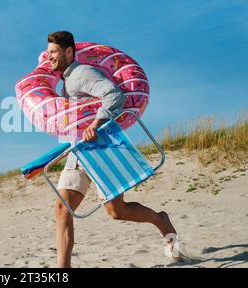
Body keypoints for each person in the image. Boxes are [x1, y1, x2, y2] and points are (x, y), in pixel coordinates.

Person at [47, 31, 180, 268]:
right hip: (79, 151)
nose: (50, 57)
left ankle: (161, 220)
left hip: (102, 148)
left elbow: (113, 96)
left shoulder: (82, 73)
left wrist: (96, 124)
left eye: (54, 52)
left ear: (69, 51)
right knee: (62, 208)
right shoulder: (66, 83)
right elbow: (76, 117)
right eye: (48, 53)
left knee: (116, 211)